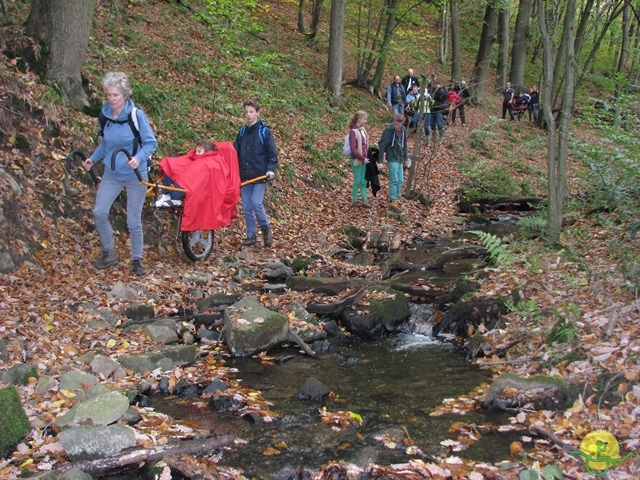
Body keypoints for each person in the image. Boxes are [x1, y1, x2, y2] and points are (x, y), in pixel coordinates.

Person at [82, 71, 158, 276]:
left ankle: (136, 259)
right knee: (99, 212)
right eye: (108, 95)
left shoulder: (136, 115)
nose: (112, 99)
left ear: (125, 94)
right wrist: (92, 158)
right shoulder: (105, 115)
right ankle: (109, 253)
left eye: (116, 95)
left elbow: (151, 143)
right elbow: (105, 144)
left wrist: (138, 158)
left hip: (135, 175)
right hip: (112, 172)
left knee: (133, 220)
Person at [233, 99, 278, 247]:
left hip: (260, 175)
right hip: (245, 175)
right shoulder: (242, 132)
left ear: (258, 112)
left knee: (256, 202)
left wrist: (270, 169)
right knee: (246, 206)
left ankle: (266, 229)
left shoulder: (264, 131)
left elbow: (272, 154)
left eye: (251, 112)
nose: (248, 115)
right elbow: (234, 153)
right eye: (246, 112)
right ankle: (251, 235)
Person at [155, 139, 216, 207]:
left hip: (188, 181)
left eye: (199, 151)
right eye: (196, 151)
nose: (196, 153)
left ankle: (175, 199)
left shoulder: (207, 162)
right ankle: (165, 194)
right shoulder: (192, 157)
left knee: (184, 178)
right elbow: (183, 161)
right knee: (168, 167)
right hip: (182, 174)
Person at [378, 113, 408, 211]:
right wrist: (380, 161)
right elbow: (382, 146)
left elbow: (404, 146)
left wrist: (406, 158)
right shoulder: (388, 131)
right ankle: (393, 200)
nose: (396, 126)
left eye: (398, 124)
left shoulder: (403, 130)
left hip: (400, 158)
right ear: (393, 122)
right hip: (392, 158)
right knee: (394, 180)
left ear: (401, 123)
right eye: (395, 124)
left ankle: (395, 198)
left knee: (400, 180)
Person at [346, 111, 371, 208]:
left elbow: (365, 145)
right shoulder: (353, 132)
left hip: (364, 158)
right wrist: (362, 158)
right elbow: (353, 149)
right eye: (364, 119)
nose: (366, 121)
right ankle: (354, 199)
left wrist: (366, 157)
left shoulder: (362, 130)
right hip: (357, 159)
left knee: (364, 180)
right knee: (357, 180)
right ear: (359, 119)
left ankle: (365, 200)